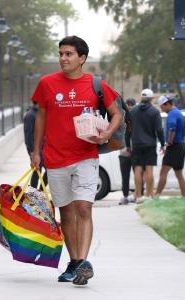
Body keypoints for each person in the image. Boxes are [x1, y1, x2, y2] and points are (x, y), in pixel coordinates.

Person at [31, 35, 122, 285]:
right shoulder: (46, 83)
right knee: (66, 211)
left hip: (85, 156)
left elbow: (117, 114)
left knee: (84, 207)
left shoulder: (96, 84)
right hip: (55, 158)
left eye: (69, 54)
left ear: (82, 58)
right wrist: (35, 151)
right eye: (61, 53)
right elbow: (40, 117)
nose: (63, 58)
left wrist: (108, 132)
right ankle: (74, 262)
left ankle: (82, 262)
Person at [130, 88, 165, 204]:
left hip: (136, 144)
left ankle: (138, 196)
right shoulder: (154, 112)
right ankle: (149, 195)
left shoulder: (133, 111)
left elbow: (128, 129)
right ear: (151, 99)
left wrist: (128, 143)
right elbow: (159, 129)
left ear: (141, 97)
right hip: (150, 144)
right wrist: (162, 143)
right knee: (149, 169)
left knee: (137, 169)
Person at [155, 95, 185, 198]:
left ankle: (156, 196)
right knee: (179, 174)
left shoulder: (172, 114)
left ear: (167, 104)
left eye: (162, 107)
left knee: (163, 172)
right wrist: (182, 137)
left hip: (174, 147)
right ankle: (184, 197)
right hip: (181, 146)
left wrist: (169, 142)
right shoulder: (178, 112)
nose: (161, 109)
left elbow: (172, 128)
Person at [23, 102, 47, 188]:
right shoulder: (30, 115)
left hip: (44, 148)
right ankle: (33, 194)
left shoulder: (41, 113)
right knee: (37, 171)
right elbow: (28, 135)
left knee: (49, 170)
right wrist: (32, 152)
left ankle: (39, 192)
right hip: (35, 149)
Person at [118, 98, 136, 205]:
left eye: (131, 104)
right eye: (128, 104)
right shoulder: (120, 117)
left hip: (133, 150)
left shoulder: (137, 118)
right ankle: (125, 196)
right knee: (125, 176)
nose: (130, 106)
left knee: (137, 174)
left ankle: (139, 194)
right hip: (124, 152)